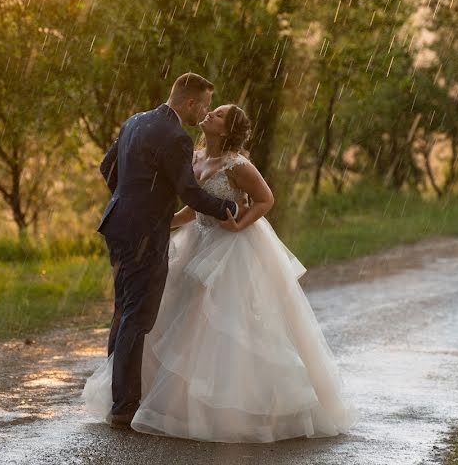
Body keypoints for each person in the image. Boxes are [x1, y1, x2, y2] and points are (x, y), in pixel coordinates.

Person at [85, 103, 357, 442]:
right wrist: (163, 223)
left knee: (223, 323)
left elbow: (265, 199)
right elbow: (192, 204)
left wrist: (239, 223)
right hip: (196, 241)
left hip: (230, 247)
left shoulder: (238, 164)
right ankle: (166, 402)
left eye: (218, 114)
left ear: (227, 129)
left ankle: (231, 406)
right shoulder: (195, 156)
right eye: (211, 110)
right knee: (175, 318)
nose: (209, 114)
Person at [96, 72, 242, 429]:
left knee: (123, 310)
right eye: (204, 105)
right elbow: (190, 193)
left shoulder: (136, 120)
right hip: (145, 232)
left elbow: (106, 167)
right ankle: (124, 406)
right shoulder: (176, 136)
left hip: (117, 225)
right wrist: (228, 209)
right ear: (190, 102)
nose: (204, 112)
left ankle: (113, 396)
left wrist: (130, 197)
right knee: (138, 315)